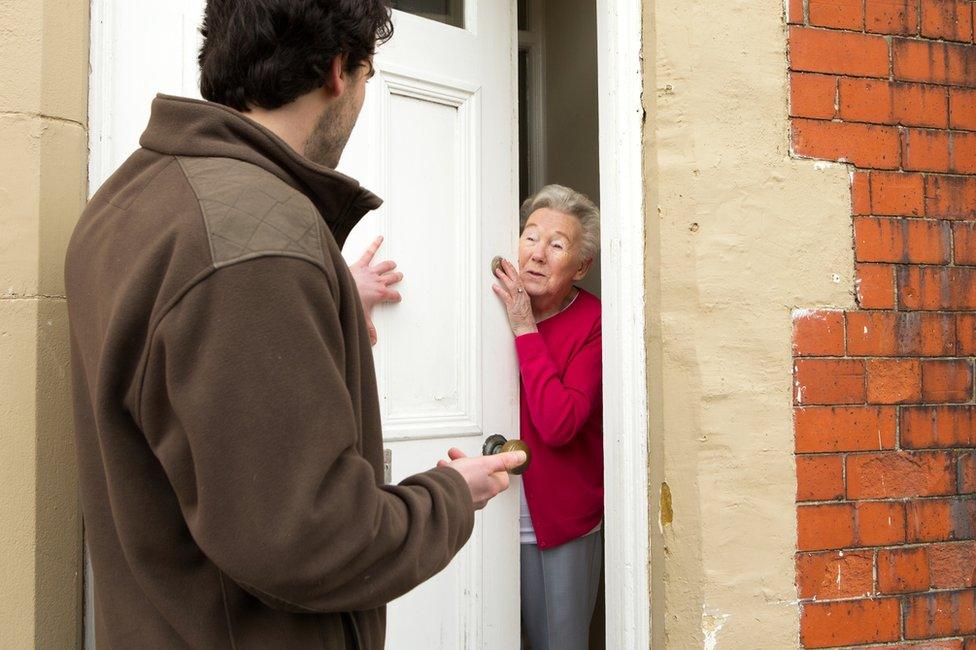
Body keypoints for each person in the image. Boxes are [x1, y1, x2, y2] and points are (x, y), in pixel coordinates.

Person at [64, 2, 525, 648]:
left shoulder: (129, 200)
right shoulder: (258, 245)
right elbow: (310, 537)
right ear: (339, 70)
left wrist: (322, 306)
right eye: (368, 76)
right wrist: (450, 496)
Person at [492, 184, 604, 650]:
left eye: (556, 245)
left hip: (559, 522)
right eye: (530, 236)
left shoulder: (594, 321)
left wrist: (524, 327)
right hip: (487, 510)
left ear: (581, 266)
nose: (536, 254)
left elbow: (560, 424)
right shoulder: (487, 304)